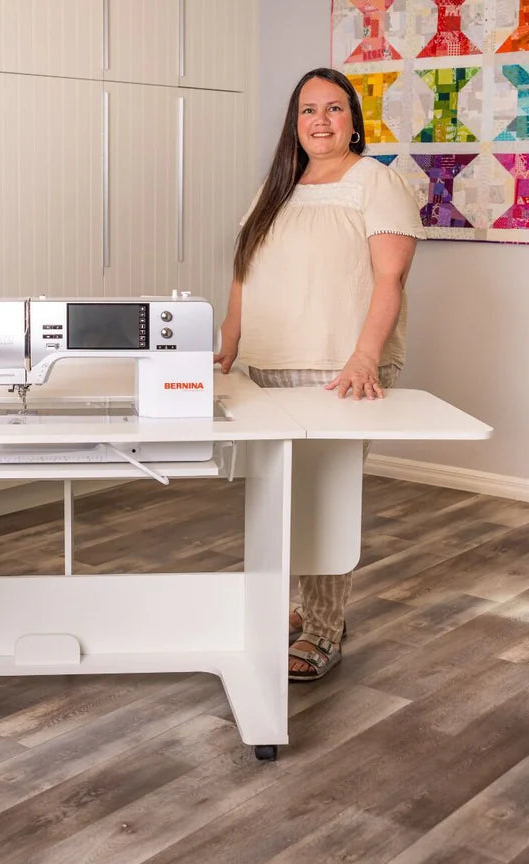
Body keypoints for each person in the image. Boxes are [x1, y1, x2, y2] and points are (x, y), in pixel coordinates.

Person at [213, 67, 423, 682]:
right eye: (308, 110)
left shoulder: (374, 183)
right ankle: (294, 610)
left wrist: (365, 355)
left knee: (324, 500)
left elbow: (390, 278)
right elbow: (243, 271)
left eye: (334, 109)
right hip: (267, 365)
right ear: (295, 121)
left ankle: (326, 625)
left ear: (354, 119)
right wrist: (228, 340)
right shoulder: (274, 188)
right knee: (279, 495)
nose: (321, 121)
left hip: (340, 367)